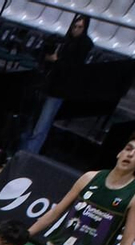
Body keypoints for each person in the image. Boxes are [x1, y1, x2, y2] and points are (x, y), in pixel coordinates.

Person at [19, 15, 94, 156]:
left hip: (59, 89)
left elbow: (73, 67)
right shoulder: (65, 41)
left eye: (80, 27)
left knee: (42, 125)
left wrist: (57, 60)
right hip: (46, 84)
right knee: (31, 120)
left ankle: (28, 155)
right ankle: (20, 151)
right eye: (75, 26)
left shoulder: (84, 45)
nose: (76, 30)